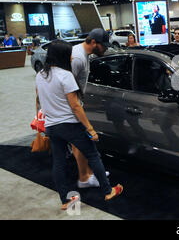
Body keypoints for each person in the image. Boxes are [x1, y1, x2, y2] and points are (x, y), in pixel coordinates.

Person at [35, 40, 123, 210]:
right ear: (62, 55)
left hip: (52, 125)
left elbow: (39, 98)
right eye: (69, 53)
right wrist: (90, 128)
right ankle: (108, 190)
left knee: (59, 162)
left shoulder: (40, 75)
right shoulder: (65, 75)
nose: (71, 56)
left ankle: (65, 200)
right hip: (69, 124)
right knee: (92, 154)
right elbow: (75, 106)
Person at [71, 28, 110, 188]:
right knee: (81, 143)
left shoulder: (83, 55)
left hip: (75, 105)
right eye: (104, 45)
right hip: (71, 108)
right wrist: (77, 109)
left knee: (77, 144)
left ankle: (87, 174)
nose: (106, 48)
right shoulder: (78, 58)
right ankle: (84, 179)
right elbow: (66, 86)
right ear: (94, 42)